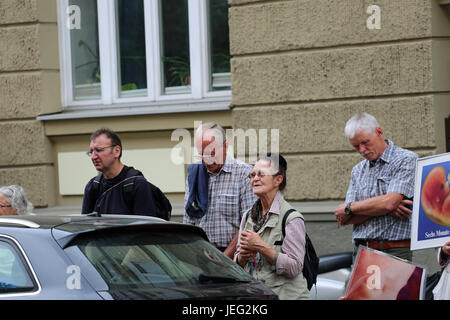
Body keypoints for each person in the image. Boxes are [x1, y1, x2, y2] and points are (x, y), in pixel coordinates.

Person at [334, 112, 418, 261]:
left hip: (394, 250)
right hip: (361, 252)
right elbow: (346, 218)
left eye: (365, 142)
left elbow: (389, 203)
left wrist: (350, 207)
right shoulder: (358, 170)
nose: (361, 150)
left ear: (379, 132)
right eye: (355, 146)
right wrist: (383, 207)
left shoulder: (406, 159)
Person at [234, 154, 310, 300]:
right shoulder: (248, 216)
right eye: (252, 175)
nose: (255, 179)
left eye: (261, 174)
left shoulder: (292, 218)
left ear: (278, 180)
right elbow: (237, 264)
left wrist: (261, 247)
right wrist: (242, 257)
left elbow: (294, 267)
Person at [183, 122, 256, 259]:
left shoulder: (244, 174)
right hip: (201, 257)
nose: (207, 160)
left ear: (225, 146)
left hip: (235, 259)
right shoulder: (195, 174)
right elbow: (188, 222)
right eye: (202, 155)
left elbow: (249, 224)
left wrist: (224, 259)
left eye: (211, 153)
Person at [82, 128, 157, 216]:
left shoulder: (137, 184)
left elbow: (146, 227)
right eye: (91, 152)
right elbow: (85, 225)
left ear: (117, 151)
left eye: (99, 150)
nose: (93, 157)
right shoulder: (92, 187)